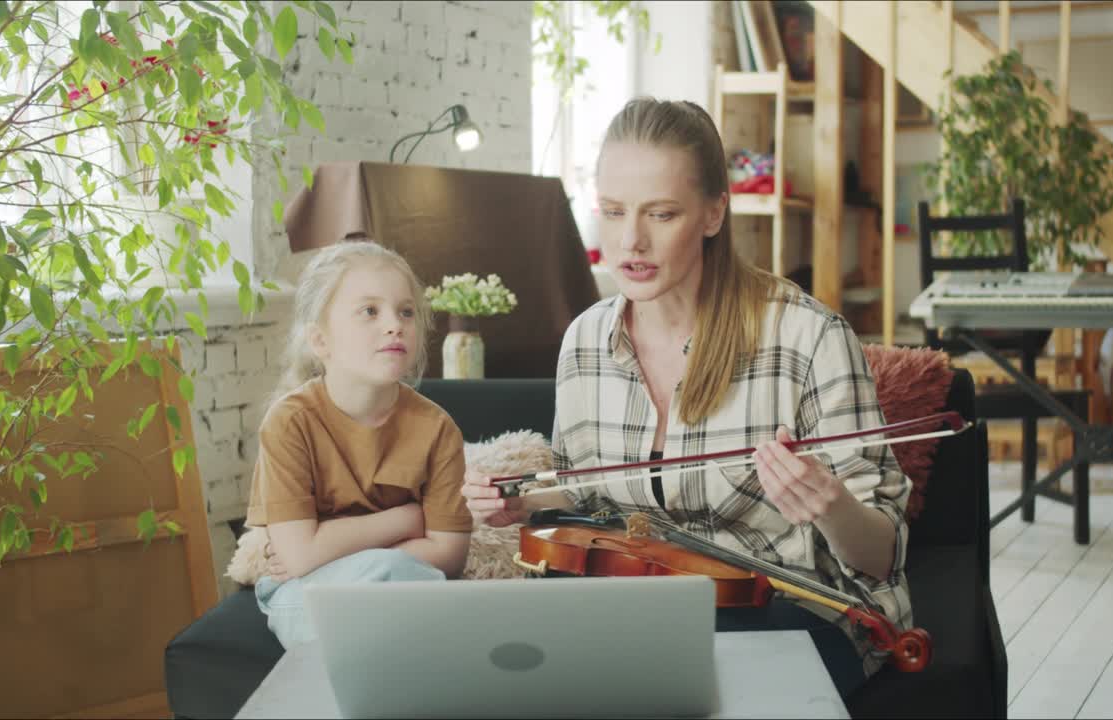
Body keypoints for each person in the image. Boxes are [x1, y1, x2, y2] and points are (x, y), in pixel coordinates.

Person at [462, 98, 912, 698]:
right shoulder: (585, 342)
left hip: (788, 605)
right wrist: (521, 501)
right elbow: (583, 495)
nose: (631, 240)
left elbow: (879, 557)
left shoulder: (808, 337)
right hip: (638, 603)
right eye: (614, 211)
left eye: (662, 214)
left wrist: (828, 505)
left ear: (713, 213)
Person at [246, 240, 473, 649]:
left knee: (392, 578)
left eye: (406, 311)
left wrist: (331, 545)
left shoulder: (437, 429)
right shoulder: (289, 423)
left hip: (405, 585)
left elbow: (450, 555)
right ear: (320, 341)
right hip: (305, 595)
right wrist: (406, 518)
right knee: (387, 582)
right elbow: (299, 559)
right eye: (370, 311)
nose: (394, 324)